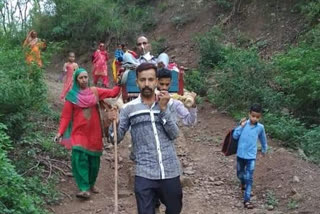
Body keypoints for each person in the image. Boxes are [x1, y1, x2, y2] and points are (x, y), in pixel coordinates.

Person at [110, 63, 183, 214]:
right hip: (144, 171)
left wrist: (163, 110)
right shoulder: (128, 109)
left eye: (150, 79)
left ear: (156, 81)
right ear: (137, 82)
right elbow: (115, 139)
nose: (147, 84)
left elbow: (174, 134)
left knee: (175, 209)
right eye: (143, 80)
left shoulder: (167, 104)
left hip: (169, 169)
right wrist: (114, 124)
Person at [54, 68, 121, 199]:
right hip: (79, 133)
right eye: (81, 78)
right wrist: (60, 132)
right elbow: (66, 117)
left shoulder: (95, 92)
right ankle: (84, 188)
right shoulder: (72, 96)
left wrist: (120, 81)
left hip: (95, 133)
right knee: (79, 158)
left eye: (85, 77)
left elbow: (113, 93)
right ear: (76, 80)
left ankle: (91, 184)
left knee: (94, 161)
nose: (84, 80)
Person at [232, 104, 268, 209]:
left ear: (260, 117)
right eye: (253, 116)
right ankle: (243, 183)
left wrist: (264, 149)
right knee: (239, 174)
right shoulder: (243, 124)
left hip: (251, 156)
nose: (254, 118)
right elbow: (235, 136)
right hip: (240, 154)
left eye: (257, 117)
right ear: (249, 114)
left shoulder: (260, 128)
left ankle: (247, 200)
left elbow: (263, 139)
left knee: (249, 177)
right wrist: (241, 126)